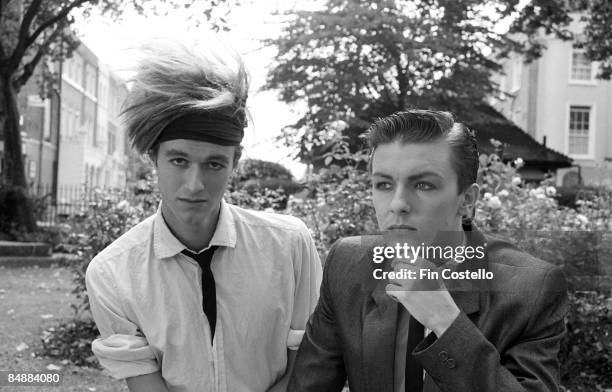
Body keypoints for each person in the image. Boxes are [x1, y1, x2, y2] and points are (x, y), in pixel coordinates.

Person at [85, 39, 322, 392]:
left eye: (214, 163)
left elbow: (306, 361)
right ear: (154, 158)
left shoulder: (289, 245)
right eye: (179, 161)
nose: (195, 185)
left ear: (234, 163)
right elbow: (145, 383)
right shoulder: (113, 273)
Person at [288, 110, 569, 392]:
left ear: (467, 200)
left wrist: (445, 321)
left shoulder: (532, 288)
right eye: (384, 184)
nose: (397, 204)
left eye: (423, 184)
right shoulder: (348, 264)